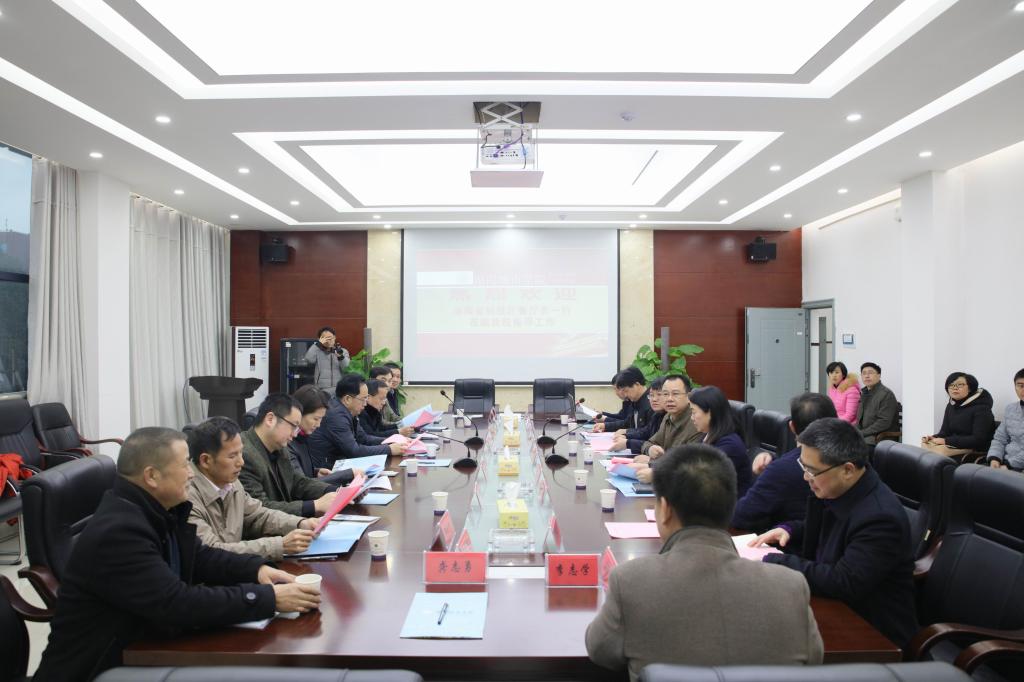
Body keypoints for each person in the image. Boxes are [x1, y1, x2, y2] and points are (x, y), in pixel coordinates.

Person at [34, 427, 319, 681]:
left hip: (145, 647)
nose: (192, 473)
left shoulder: (155, 509)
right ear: (152, 476)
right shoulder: (119, 532)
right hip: (102, 668)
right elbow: (176, 603)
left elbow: (200, 556)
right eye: (184, 465)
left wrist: (256, 570)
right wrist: (267, 598)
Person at [585, 444, 822, 680]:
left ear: (665, 509)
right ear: (731, 506)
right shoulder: (791, 586)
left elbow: (601, 652)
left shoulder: (631, 581)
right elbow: (813, 660)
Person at [751, 417, 918, 649]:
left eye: (811, 470)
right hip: (832, 609)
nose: (805, 477)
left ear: (847, 470)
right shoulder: (840, 488)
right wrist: (787, 529)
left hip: (872, 635)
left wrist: (776, 562)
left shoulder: (880, 519)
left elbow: (843, 581)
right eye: (803, 466)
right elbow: (821, 526)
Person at [186, 416, 317, 560]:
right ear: (206, 460)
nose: (241, 462)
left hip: (237, 567)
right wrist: (280, 545)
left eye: (241, 452)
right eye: (232, 456)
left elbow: (258, 515)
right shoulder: (186, 498)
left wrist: (300, 523)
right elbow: (211, 551)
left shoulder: (230, 482)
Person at [732, 393, 837, 532]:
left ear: (792, 427)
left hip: (789, 541)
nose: (808, 475)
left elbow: (740, 516)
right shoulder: (849, 457)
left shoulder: (783, 470)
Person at [239, 393, 338, 518]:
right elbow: (260, 508)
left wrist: (334, 490)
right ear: (270, 419)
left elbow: (296, 481)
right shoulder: (243, 455)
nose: (295, 434)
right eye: (294, 426)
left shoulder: (279, 446)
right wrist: (314, 505)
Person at [307, 373, 408, 467]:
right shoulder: (337, 416)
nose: (365, 403)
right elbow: (354, 451)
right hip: (328, 468)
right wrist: (389, 449)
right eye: (363, 399)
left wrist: (393, 441)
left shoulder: (348, 410)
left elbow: (364, 438)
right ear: (347, 399)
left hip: (341, 462)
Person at [628, 374, 703, 483]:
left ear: (688, 396)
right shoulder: (668, 416)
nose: (669, 399)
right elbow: (649, 442)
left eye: (675, 394)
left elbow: (687, 463)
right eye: (665, 394)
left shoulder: (696, 421)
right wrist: (650, 449)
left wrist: (652, 462)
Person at [687, 386, 752, 497]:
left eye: (694, 412)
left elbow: (701, 478)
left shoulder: (730, 445)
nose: (691, 418)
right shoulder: (708, 435)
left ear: (710, 413)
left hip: (729, 505)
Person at [287, 384, 349, 482]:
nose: (318, 425)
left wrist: (315, 472)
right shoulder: (287, 442)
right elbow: (301, 485)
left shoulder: (303, 436)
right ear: (299, 413)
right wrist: (347, 474)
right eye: (316, 419)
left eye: (321, 419)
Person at [923, 372, 995, 452]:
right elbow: (945, 432)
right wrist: (934, 437)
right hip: (954, 447)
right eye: (951, 385)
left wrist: (946, 441)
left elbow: (978, 439)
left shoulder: (982, 408)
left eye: (960, 385)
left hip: (974, 452)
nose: (955, 388)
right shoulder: (951, 405)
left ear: (970, 388)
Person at [612, 376, 666, 453]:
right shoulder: (657, 415)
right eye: (651, 395)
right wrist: (626, 436)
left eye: (659, 395)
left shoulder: (666, 416)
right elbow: (645, 432)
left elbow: (657, 445)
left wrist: (628, 443)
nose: (654, 399)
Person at [593, 367, 652, 434]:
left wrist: (627, 433)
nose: (625, 395)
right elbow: (627, 423)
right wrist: (605, 426)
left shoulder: (651, 403)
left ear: (637, 384)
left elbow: (647, 433)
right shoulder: (635, 401)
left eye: (626, 391)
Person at [987, 368, 1024, 471]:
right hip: (1003, 462)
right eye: (1020, 385)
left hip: (1015, 466)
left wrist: (1009, 465)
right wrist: (994, 458)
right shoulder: (1010, 409)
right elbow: (1000, 438)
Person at [855, 362, 899, 445]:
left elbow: (883, 422)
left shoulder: (886, 394)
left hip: (881, 438)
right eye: (864, 373)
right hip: (866, 435)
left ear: (879, 375)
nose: (867, 376)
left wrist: (861, 433)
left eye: (870, 373)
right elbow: (859, 420)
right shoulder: (864, 393)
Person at [304, 326, 350, 390]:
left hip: (339, 388)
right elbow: (309, 359)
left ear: (334, 337)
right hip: (321, 388)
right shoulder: (317, 351)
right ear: (320, 339)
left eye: (330, 337)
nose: (328, 340)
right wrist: (317, 344)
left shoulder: (342, 351)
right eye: (325, 338)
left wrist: (340, 357)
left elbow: (347, 368)